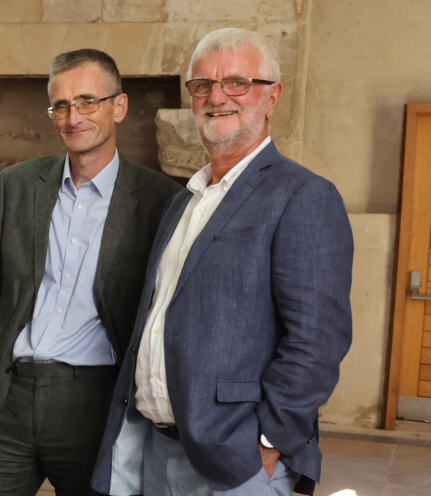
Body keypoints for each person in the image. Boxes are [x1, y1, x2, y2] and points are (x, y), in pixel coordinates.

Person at [90, 28, 353, 496]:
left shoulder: (301, 195)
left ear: (272, 97)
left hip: (235, 463)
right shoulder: (184, 202)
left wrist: (266, 444)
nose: (217, 97)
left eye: (236, 83)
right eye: (203, 85)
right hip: (154, 448)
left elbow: (317, 340)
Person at [0, 49, 183, 496]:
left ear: (119, 106)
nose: (73, 116)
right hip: (7, 398)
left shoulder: (159, 200)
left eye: (88, 101)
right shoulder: (16, 185)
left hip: (96, 402)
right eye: (61, 105)